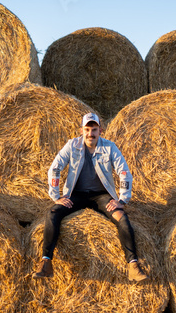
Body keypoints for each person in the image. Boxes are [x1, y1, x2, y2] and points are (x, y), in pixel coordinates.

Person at [32, 112, 148, 282]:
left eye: (94, 129)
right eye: (87, 129)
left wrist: (122, 200)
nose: (90, 134)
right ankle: (46, 263)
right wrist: (55, 196)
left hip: (101, 196)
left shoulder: (109, 147)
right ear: (81, 130)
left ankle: (133, 265)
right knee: (52, 213)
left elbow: (124, 172)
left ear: (100, 130)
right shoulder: (72, 145)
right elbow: (54, 168)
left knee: (122, 217)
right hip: (76, 195)